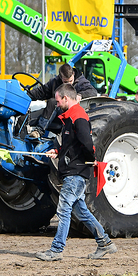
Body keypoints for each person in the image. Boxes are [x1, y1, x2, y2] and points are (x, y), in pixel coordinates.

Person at [35, 84, 117, 261]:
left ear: (66, 98)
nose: (56, 104)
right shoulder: (69, 118)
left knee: (63, 209)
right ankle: (105, 243)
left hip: (76, 173)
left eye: (58, 101)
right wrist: (57, 152)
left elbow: (87, 144)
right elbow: (71, 145)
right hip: (75, 171)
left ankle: (56, 250)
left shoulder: (78, 116)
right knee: (81, 212)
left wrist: (91, 157)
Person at [27, 63, 97, 137]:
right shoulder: (55, 82)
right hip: (56, 113)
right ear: (61, 77)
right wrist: (25, 96)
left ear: (73, 74)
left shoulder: (81, 82)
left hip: (71, 115)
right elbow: (41, 92)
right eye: (65, 82)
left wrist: (80, 95)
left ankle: (39, 131)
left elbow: (92, 92)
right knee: (25, 118)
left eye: (70, 81)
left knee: (52, 102)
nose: (69, 84)